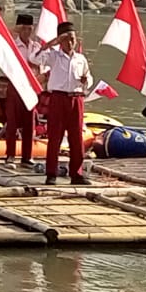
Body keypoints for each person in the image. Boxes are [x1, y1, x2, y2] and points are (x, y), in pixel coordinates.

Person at [36, 21, 93, 186]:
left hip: (76, 98)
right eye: (66, 39)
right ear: (60, 40)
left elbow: (89, 77)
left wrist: (86, 81)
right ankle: (51, 174)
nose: (70, 43)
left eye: (73, 39)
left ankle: (76, 174)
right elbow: (35, 57)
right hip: (58, 98)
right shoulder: (53, 56)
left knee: (76, 137)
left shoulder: (80, 59)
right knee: (55, 136)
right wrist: (51, 43)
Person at [5, 13, 43, 167]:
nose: (27, 32)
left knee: (29, 123)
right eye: (24, 28)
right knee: (12, 123)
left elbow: (42, 66)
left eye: (30, 29)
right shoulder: (12, 46)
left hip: (30, 87)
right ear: (19, 29)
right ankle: (10, 155)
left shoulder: (37, 47)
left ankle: (27, 156)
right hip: (15, 86)